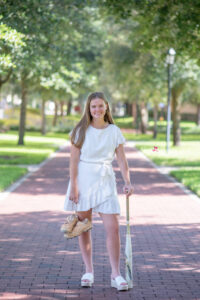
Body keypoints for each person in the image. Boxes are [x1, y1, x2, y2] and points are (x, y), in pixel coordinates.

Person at [63, 92, 134, 291]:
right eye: (93, 106)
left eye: (100, 106)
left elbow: (121, 159)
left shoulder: (114, 131)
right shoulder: (80, 130)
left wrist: (127, 181)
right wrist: (74, 186)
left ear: (106, 107)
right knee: (83, 227)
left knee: (113, 228)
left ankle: (115, 274)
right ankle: (88, 271)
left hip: (106, 180)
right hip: (83, 180)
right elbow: (73, 161)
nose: (97, 110)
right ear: (89, 108)